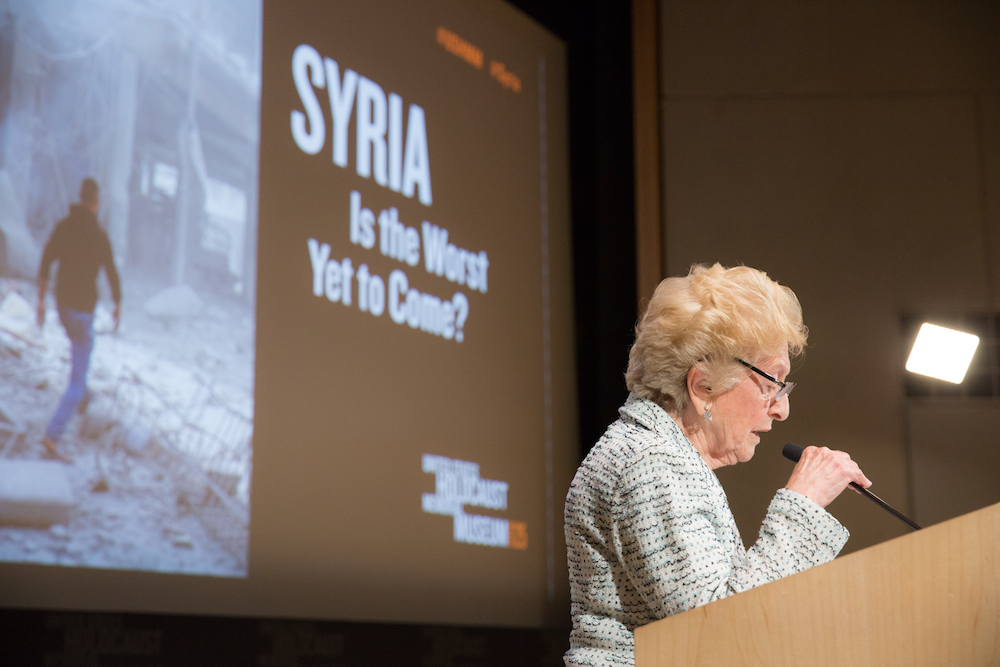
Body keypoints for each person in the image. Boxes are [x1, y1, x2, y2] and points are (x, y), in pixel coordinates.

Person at [563, 263, 871, 667]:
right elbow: (721, 627)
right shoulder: (649, 462)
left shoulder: (663, 455)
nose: (783, 409)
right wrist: (804, 504)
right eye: (771, 384)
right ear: (703, 386)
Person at [36, 177, 121, 461]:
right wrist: (118, 304)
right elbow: (111, 272)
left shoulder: (64, 226)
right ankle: (52, 435)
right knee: (78, 378)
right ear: (96, 204)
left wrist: (40, 301)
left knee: (79, 354)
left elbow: (46, 259)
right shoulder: (99, 235)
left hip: (62, 307)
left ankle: (83, 402)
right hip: (83, 313)